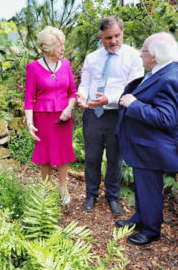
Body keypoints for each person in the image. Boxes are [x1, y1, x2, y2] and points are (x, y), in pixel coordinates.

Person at [115, 32, 178, 246]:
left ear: (154, 56)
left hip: (152, 147)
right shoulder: (162, 71)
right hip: (144, 144)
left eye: (143, 51)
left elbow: (166, 118)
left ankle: (151, 229)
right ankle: (140, 218)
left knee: (150, 188)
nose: (140, 55)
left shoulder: (171, 76)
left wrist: (134, 104)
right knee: (143, 186)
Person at [76, 16, 143, 215]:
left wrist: (110, 99)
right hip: (93, 114)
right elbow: (85, 83)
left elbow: (135, 88)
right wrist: (81, 96)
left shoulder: (133, 56)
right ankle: (91, 195)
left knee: (115, 159)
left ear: (122, 33)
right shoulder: (92, 58)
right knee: (92, 157)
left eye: (117, 36)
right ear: (100, 37)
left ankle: (113, 196)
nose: (113, 41)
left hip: (118, 114)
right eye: (108, 38)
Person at [24, 26, 77, 204]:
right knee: (45, 155)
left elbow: (73, 91)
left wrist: (69, 108)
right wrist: (30, 123)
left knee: (63, 154)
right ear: (46, 48)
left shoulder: (67, 65)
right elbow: (29, 98)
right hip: (43, 118)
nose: (62, 48)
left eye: (63, 44)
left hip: (64, 117)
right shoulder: (33, 67)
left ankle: (63, 188)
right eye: (58, 45)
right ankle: (45, 190)